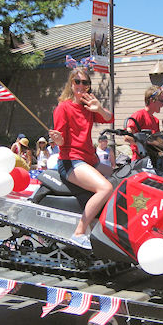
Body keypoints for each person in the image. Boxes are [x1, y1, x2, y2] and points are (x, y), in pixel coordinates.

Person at [49, 67, 113, 249]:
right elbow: (60, 141)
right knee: (105, 188)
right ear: (71, 84)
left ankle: (105, 228)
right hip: (71, 160)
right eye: (78, 81)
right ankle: (79, 232)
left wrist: (99, 108)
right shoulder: (63, 107)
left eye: (85, 82)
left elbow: (109, 118)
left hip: (89, 160)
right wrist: (58, 139)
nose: (81, 85)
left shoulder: (89, 107)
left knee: (120, 177)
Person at [125, 85, 163, 161]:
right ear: (152, 100)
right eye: (161, 101)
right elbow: (127, 137)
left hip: (152, 160)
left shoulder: (156, 120)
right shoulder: (139, 115)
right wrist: (144, 144)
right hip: (140, 162)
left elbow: (157, 141)